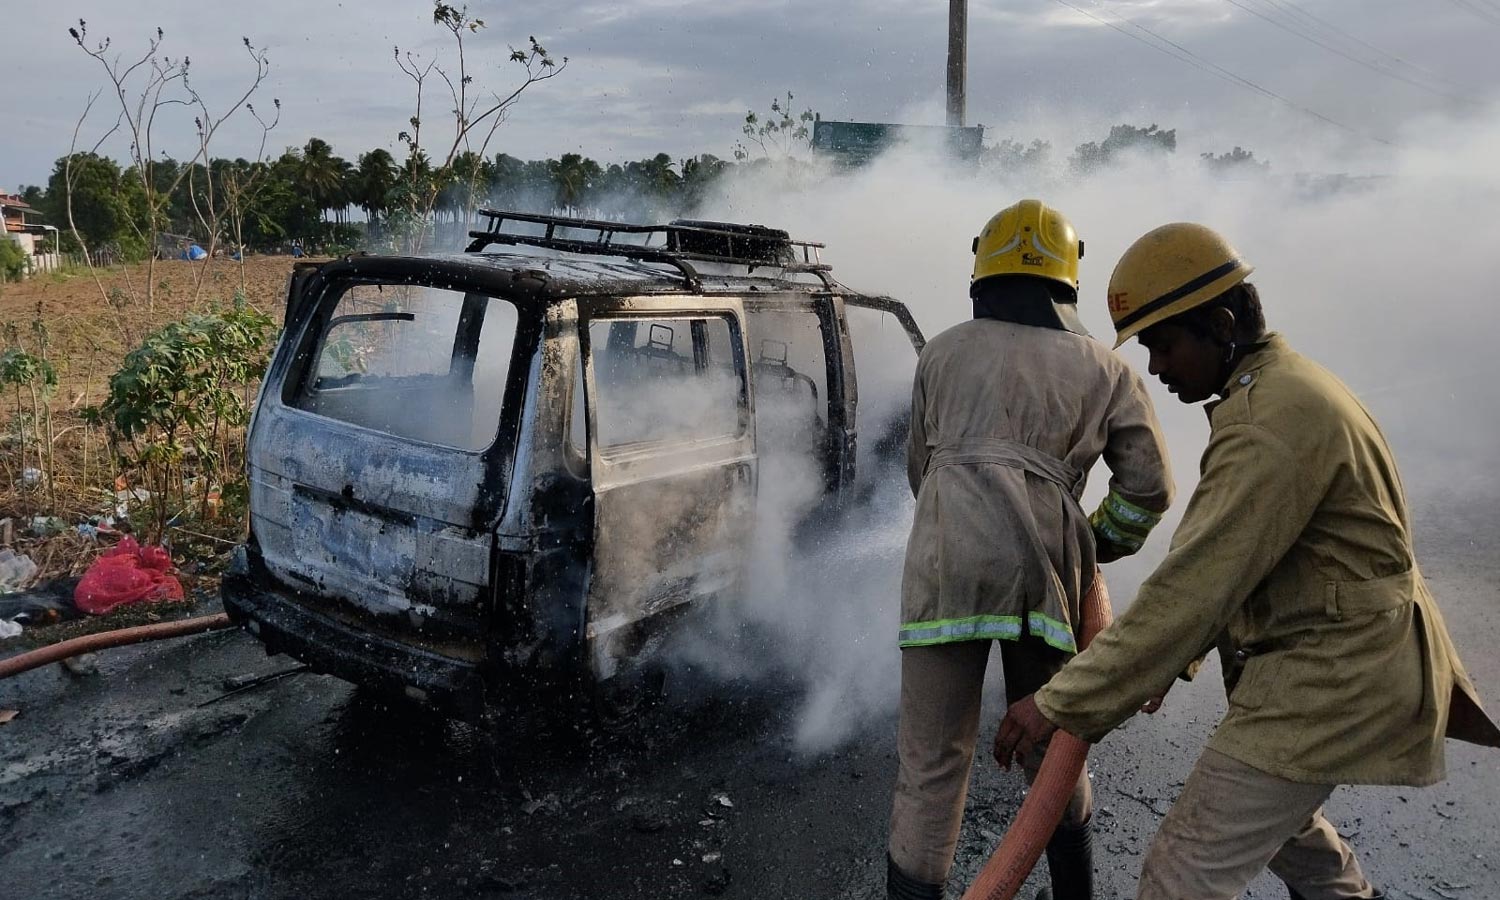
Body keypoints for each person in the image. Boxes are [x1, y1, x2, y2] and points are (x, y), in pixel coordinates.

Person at [994, 222, 1500, 899]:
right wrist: (1169, 663)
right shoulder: (1284, 390)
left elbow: (1194, 587)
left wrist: (1056, 703)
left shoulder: (1267, 425)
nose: (1155, 367)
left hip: (1334, 673)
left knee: (1179, 874)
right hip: (1351, 655)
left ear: (1222, 325)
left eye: (1163, 344)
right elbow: (1237, 560)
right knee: (1286, 827)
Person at [887, 199, 1174, 900]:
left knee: (930, 768)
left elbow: (920, 469)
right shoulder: (1106, 368)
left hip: (943, 576)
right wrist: (1094, 546)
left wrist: (958, 526)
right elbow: (1149, 489)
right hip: (1045, 583)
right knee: (1055, 753)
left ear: (983, 270)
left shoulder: (940, 352)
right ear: (1067, 279)